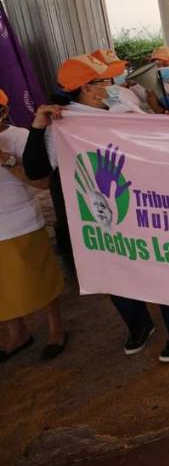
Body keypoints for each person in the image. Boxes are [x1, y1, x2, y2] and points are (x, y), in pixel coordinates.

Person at [23, 54, 169, 363]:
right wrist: (38, 127)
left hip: (142, 206)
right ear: (88, 89)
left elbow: (153, 139)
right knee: (115, 270)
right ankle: (139, 325)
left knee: (160, 266)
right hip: (100, 213)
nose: (112, 85)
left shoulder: (120, 110)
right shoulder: (62, 124)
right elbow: (36, 172)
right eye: (105, 82)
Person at [0, 89, 67, 363]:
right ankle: (17, 334)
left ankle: (56, 329)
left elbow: (41, 182)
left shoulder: (20, 137)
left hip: (21, 221)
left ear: (4, 112)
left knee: (39, 280)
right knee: (3, 288)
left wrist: (6, 160)